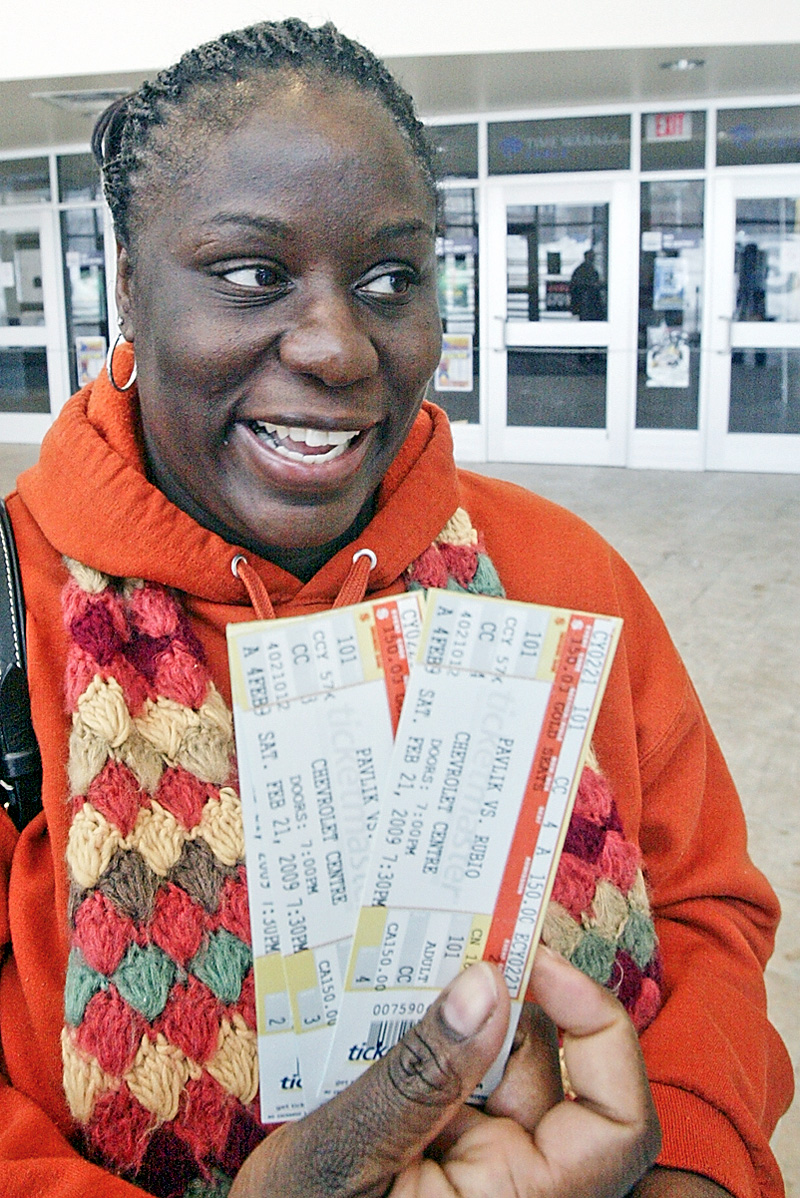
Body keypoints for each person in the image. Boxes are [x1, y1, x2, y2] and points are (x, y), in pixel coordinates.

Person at [0, 18, 792, 1198]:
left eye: (388, 278)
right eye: (251, 274)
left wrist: (685, 1167)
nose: (334, 345)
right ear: (126, 287)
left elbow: (703, 914)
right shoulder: (17, 612)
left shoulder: (556, 571)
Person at [569, 249, 605, 320]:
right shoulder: (584, 270)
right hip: (587, 301)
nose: (593, 258)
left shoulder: (583, 269)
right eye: (591, 256)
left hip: (587, 302)